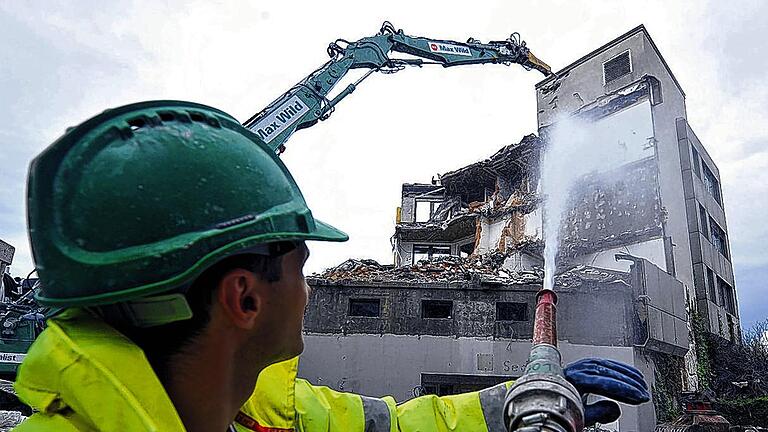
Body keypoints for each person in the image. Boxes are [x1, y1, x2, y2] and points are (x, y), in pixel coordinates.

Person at [14, 100, 649, 431]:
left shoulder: (258, 411)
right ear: (245, 298)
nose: (311, 291)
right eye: (300, 265)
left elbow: (397, 427)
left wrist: (514, 402)